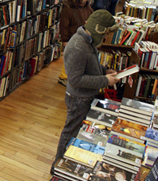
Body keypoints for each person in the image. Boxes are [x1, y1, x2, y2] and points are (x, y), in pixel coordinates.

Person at [51, 10, 121, 174]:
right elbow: (75, 79)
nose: (104, 39)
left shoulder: (87, 41)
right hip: (78, 99)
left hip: (84, 97)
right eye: (104, 34)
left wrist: (105, 71)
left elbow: (90, 66)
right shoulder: (78, 47)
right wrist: (105, 81)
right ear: (99, 29)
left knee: (77, 133)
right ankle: (57, 168)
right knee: (70, 133)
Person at [58, 0, 93, 86]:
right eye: (83, 0)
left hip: (84, 36)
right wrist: (65, 40)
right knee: (69, 56)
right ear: (78, 0)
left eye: (86, 0)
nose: (85, 1)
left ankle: (74, 76)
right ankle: (63, 77)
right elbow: (64, 25)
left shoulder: (87, 6)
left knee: (79, 57)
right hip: (72, 37)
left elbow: (92, 16)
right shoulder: (68, 8)